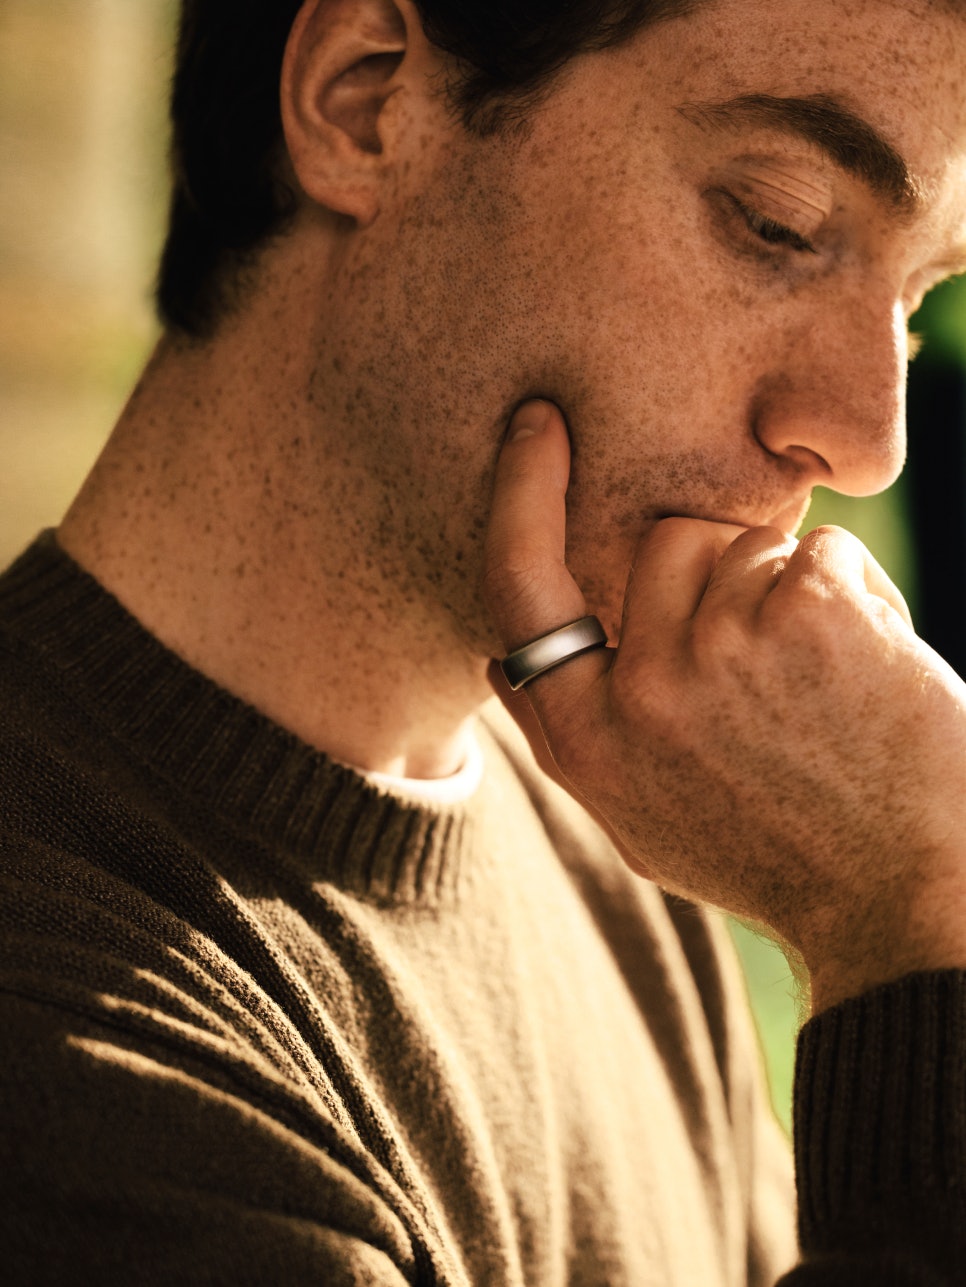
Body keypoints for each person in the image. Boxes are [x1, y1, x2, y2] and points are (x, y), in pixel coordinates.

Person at [2, 0, 965, 1280]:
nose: (866, 438)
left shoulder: (612, 823)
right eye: (776, 221)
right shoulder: (66, 1035)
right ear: (367, 97)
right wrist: (914, 916)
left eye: (912, 302)